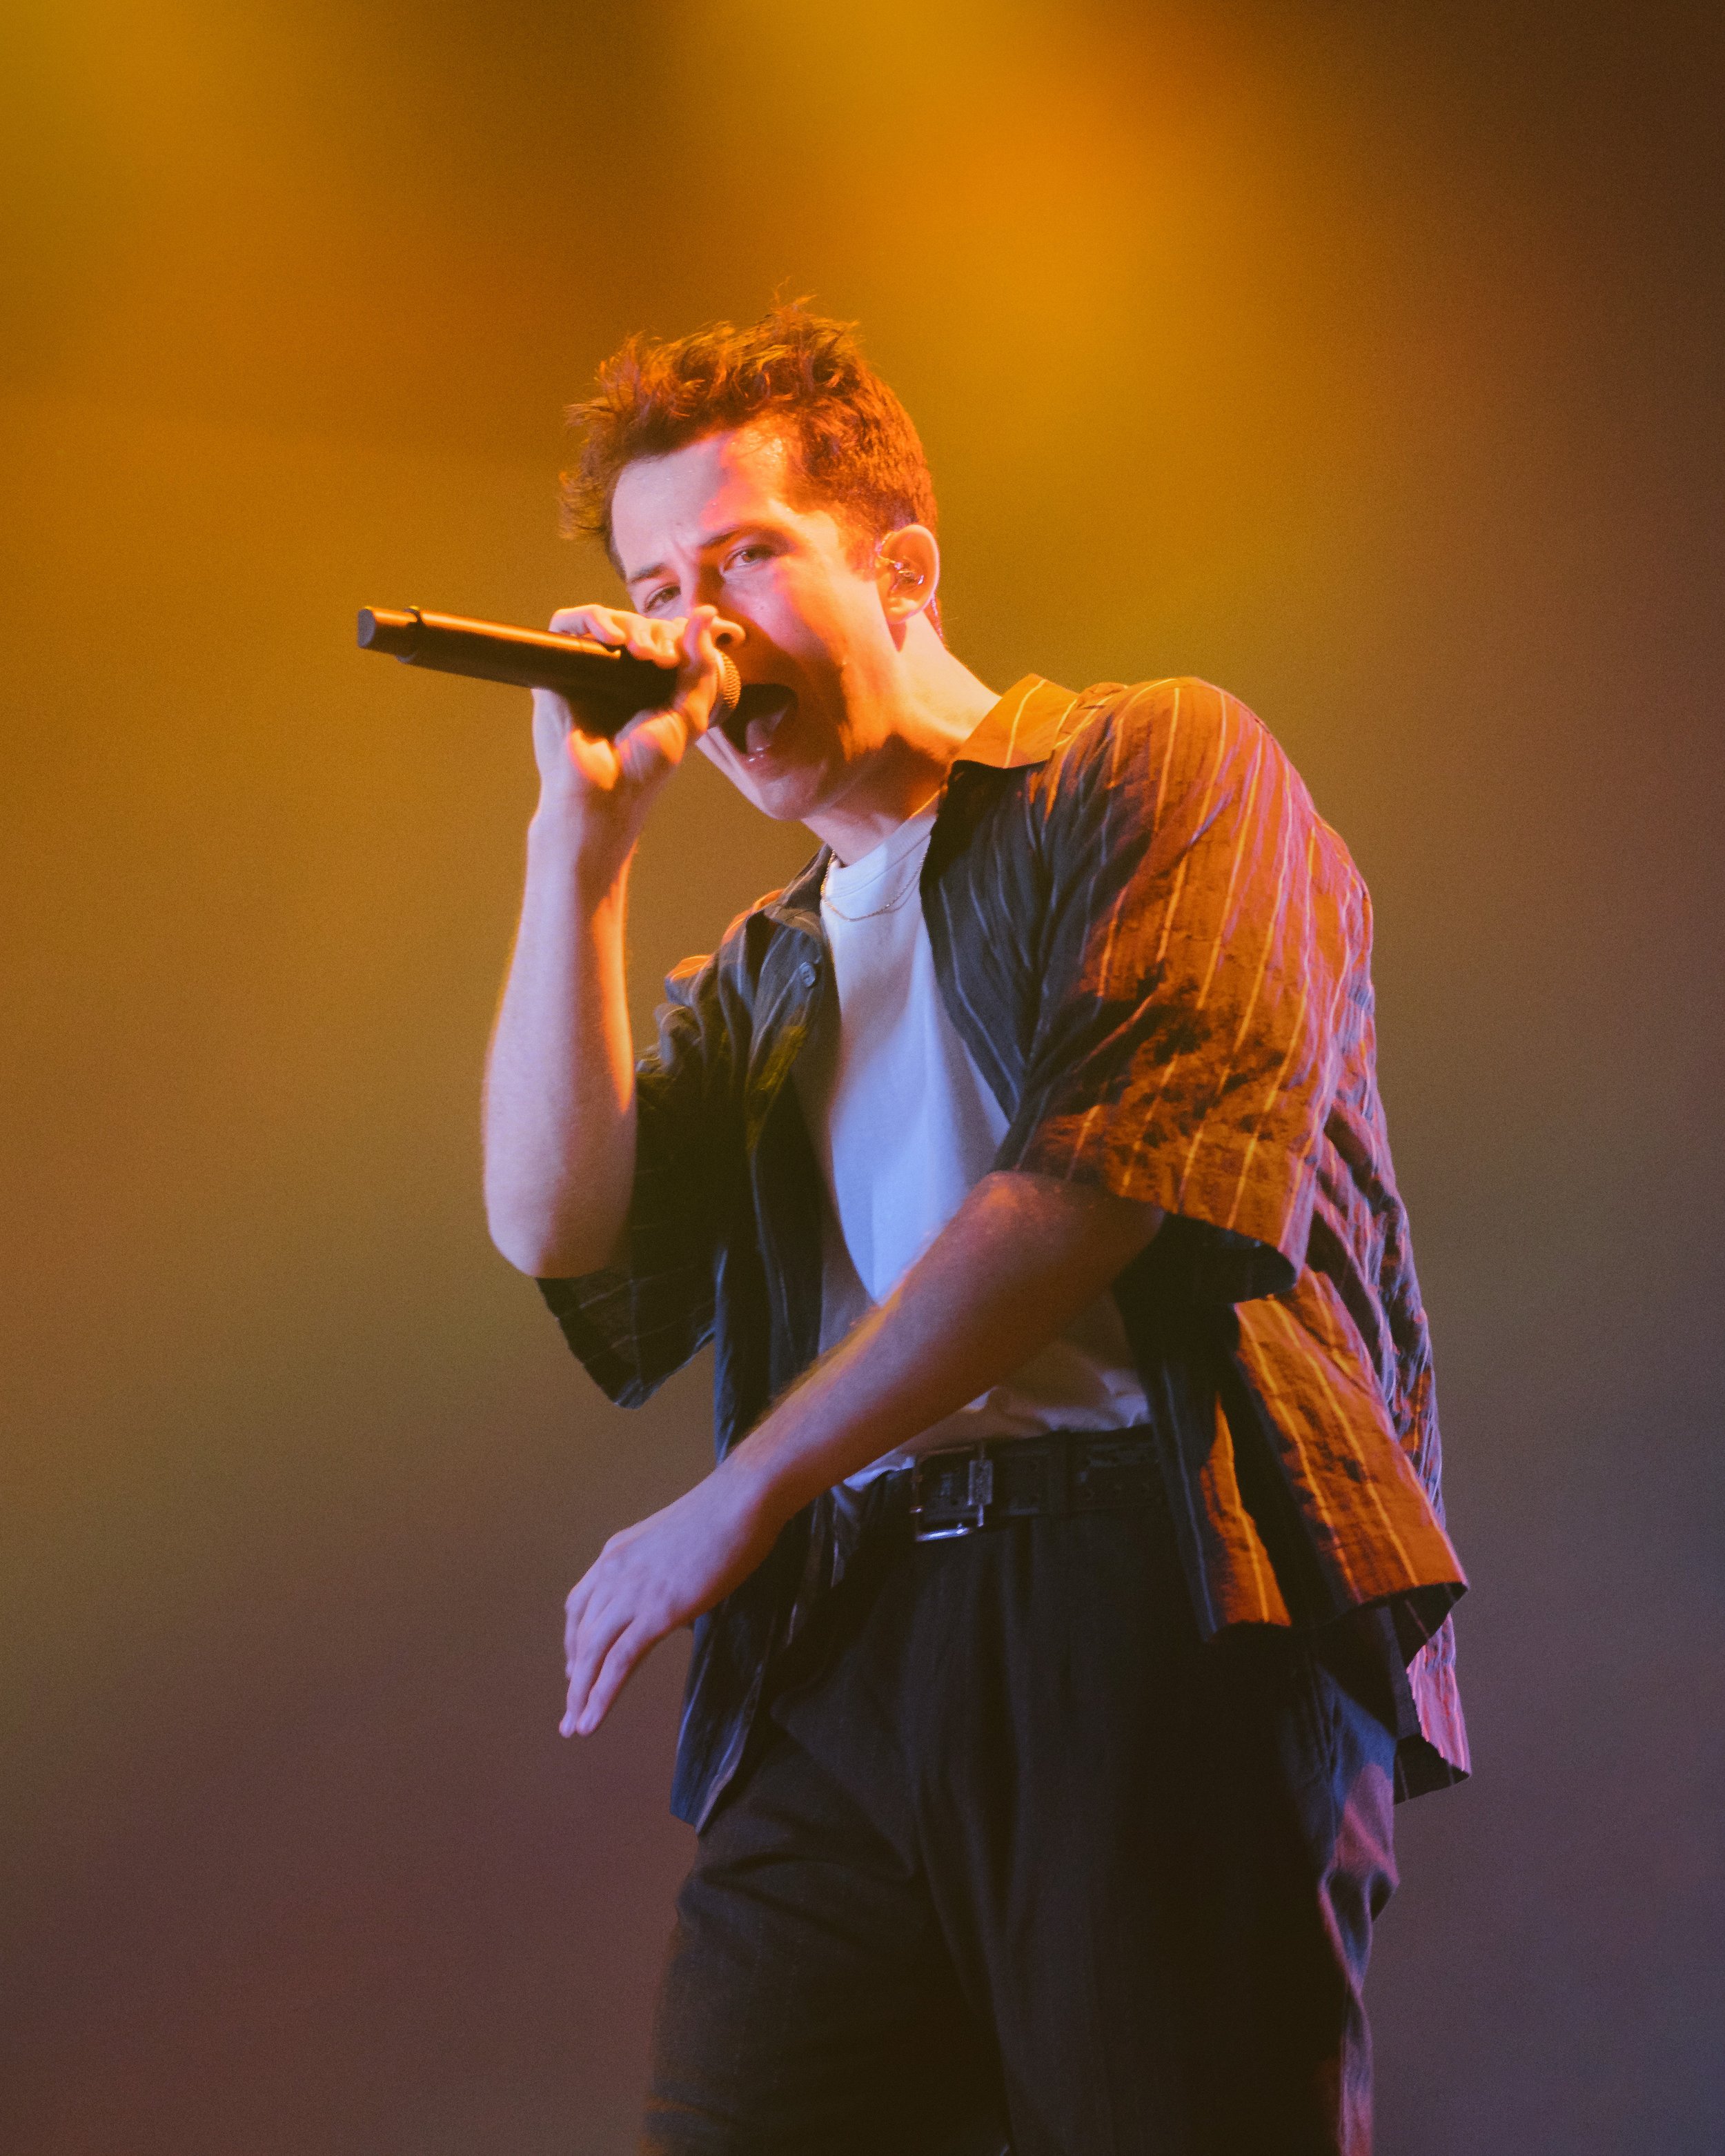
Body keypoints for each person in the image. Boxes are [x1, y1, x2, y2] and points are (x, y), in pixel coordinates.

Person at [482, 304, 1468, 2155]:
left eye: (746, 560)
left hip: (1141, 1607)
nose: (697, 632)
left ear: (901, 569)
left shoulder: (1155, 767)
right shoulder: (769, 970)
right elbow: (560, 1224)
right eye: (655, 589)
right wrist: (580, 851)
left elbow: (1096, 1183)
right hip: (846, 1644)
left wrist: (739, 1490)